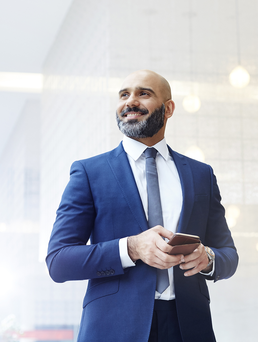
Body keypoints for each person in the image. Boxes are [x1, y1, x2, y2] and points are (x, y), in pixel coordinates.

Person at [46, 70, 238, 342]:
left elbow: (229, 255)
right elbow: (59, 261)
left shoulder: (201, 174)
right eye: (124, 94)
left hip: (189, 328)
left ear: (168, 108)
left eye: (143, 93)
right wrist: (132, 248)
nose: (130, 102)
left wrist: (208, 259)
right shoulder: (89, 172)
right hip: (114, 327)